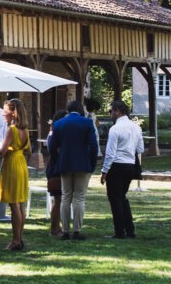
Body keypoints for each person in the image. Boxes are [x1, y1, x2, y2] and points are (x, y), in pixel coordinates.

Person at [50, 100, 99, 241]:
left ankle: (65, 230)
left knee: (65, 197)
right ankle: (77, 230)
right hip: (83, 164)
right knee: (79, 197)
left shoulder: (59, 124)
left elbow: (52, 146)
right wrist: (92, 163)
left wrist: (57, 160)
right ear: (80, 109)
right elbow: (93, 146)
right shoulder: (87, 123)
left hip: (65, 164)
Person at [100, 100, 144, 239]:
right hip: (130, 166)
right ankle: (130, 229)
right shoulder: (136, 127)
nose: (110, 114)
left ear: (118, 111)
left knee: (115, 199)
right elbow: (140, 149)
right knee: (122, 197)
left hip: (116, 166)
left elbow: (110, 153)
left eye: (111, 111)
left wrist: (104, 171)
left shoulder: (115, 129)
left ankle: (120, 231)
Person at [0, 98, 31, 251]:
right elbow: (28, 150)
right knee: (20, 203)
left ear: (13, 113)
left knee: (14, 203)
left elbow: (2, 151)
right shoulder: (25, 130)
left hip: (12, 164)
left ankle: (16, 240)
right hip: (21, 162)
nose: (3, 115)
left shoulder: (12, 130)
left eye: (5, 112)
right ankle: (20, 237)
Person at [45, 111, 68, 239]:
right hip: (55, 168)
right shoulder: (54, 134)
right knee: (58, 199)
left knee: (59, 199)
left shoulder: (54, 133)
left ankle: (57, 227)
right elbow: (56, 151)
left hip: (56, 166)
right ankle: (54, 228)